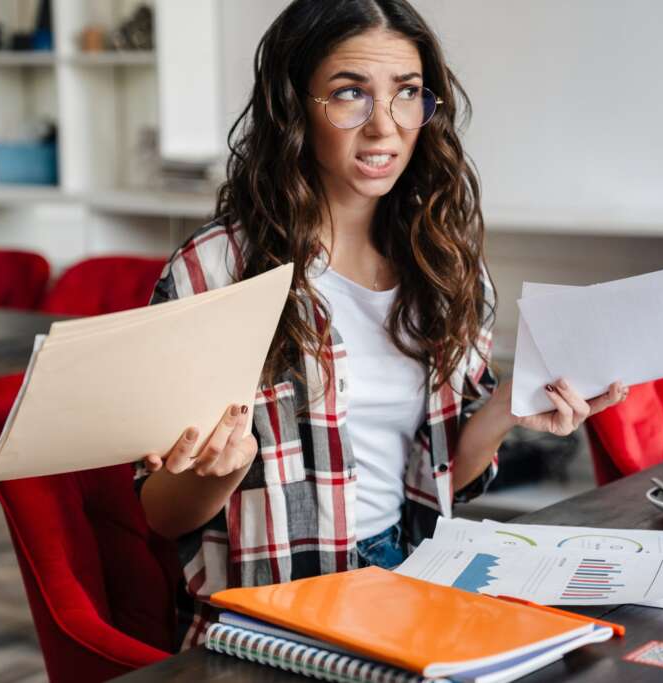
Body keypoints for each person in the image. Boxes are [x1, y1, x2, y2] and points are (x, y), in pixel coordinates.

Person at [136, 0, 628, 649]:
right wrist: (220, 471)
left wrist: (509, 406)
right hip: (272, 618)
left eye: (408, 95)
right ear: (293, 106)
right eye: (349, 94)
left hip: (414, 585)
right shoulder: (215, 270)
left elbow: (439, 480)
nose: (385, 129)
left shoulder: (445, 266)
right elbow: (159, 514)